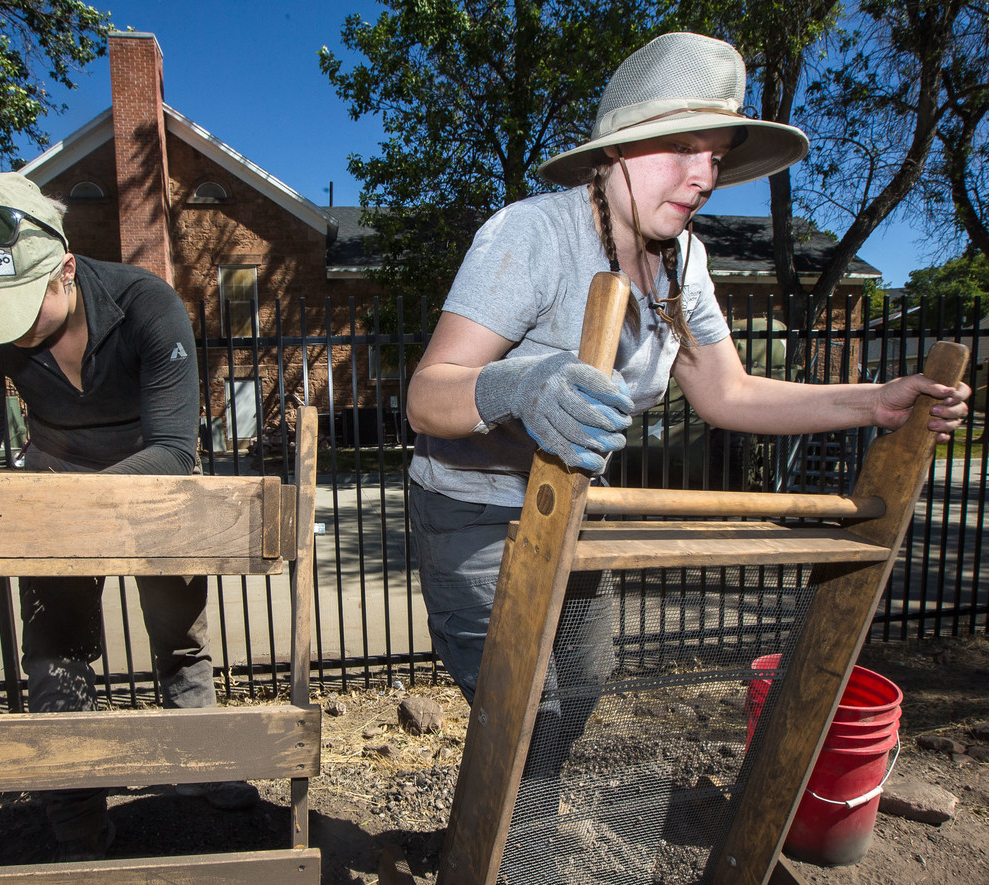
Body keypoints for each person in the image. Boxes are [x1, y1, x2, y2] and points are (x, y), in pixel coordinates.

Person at [405, 32, 970, 867]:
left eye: (715, 152)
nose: (702, 176)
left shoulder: (685, 262)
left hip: (574, 506)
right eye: (679, 147)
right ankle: (510, 853)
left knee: (583, 684)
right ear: (614, 152)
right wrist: (518, 388)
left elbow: (728, 393)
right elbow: (428, 393)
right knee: (528, 707)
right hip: (474, 511)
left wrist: (874, 401)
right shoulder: (529, 234)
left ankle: (505, 835)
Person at [0, 171, 258, 862]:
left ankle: (199, 760)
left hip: (151, 484)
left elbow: (173, 448)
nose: (4, 332)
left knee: (178, 634)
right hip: (56, 481)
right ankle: (76, 815)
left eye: (19, 308)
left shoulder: (147, 305)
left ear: (66, 270)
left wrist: (71, 506)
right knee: (59, 649)